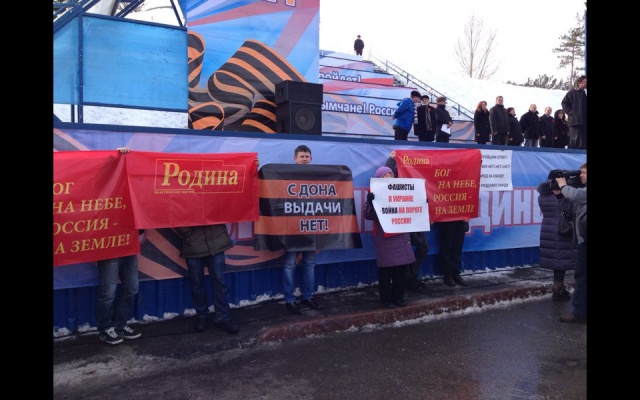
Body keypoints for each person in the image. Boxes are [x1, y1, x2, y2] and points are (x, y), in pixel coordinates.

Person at [96, 147, 143, 345]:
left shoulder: (133, 190)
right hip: (109, 247)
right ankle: (105, 328)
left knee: (131, 287)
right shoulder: (102, 189)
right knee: (108, 291)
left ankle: (119, 324)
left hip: (129, 245)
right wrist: (116, 156)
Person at [363, 166, 415, 307]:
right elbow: (367, 215)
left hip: (401, 235)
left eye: (390, 174)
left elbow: (412, 206)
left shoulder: (402, 191)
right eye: (385, 175)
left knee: (400, 269)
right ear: (379, 179)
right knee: (386, 270)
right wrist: (370, 202)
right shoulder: (373, 193)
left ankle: (398, 297)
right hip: (384, 237)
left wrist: (421, 202)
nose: (388, 177)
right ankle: (386, 299)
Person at [176, 223, 240, 334]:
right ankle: (202, 315)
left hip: (216, 242)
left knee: (219, 283)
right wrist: (187, 233)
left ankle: (223, 317)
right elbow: (175, 216)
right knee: (197, 284)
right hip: (194, 245)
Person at [282, 145, 321, 314]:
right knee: (289, 264)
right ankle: (289, 299)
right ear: (295, 159)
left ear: (311, 158)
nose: (304, 159)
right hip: (292, 227)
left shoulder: (317, 176)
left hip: (311, 226)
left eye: (306, 156)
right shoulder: (286, 175)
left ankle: (307, 296)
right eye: (301, 156)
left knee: (309, 263)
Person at [384, 151, 428, 293]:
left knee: (423, 247)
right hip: (402, 220)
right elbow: (384, 179)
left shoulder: (415, 175)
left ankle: (411, 276)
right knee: (407, 250)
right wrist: (391, 159)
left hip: (415, 218)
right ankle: (408, 279)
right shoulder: (395, 176)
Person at [555, 162, 587, 323]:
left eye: (584, 172)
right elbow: (570, 207)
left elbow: (575, 195)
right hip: (583, 240)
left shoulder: (581, 193)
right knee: (582, 277)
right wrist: (559, 194)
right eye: (580, 172)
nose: (581, 175)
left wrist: (563, 185)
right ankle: (580, 311)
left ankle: (579, 312)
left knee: (582, 277)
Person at [537, 172, 576, 301]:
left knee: (558, 261)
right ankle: (559, 290)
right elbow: (570, 208)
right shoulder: (563, 192)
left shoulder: (542, 195)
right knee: (564, 259)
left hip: (548, 228)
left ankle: (557, 287)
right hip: (564, 229)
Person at [434, 220, 469, 287]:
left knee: (457, 248)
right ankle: (448, 275)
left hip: (461, 220)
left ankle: (456, 274)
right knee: (446, 248)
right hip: (447, 220)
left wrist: (468, 216)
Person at [561, 75, 587, 149]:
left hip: (584, 122)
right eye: (585, 82)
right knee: (574, 140)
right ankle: (572, 154)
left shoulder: (585, 93)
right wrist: (570, 112)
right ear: (579, 82)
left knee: (584, 141)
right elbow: (564, 103)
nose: (586, 83)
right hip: (575, 121)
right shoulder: (572, 92)